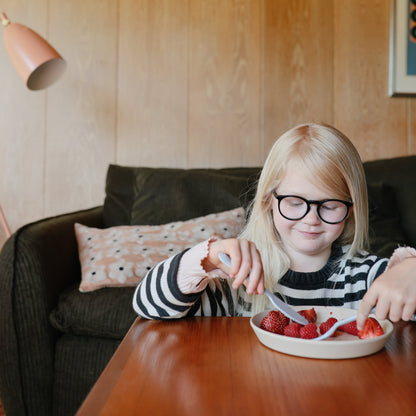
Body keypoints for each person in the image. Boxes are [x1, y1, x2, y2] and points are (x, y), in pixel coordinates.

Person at [133, 123, 416, 330]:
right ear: (269, 200)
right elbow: (147, 305)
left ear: (351, 209)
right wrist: (205, 258)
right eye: (295, 202)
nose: (311, 219)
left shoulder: (366, 279)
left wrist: (410, 270)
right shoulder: (239, 280)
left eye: (329, 205)